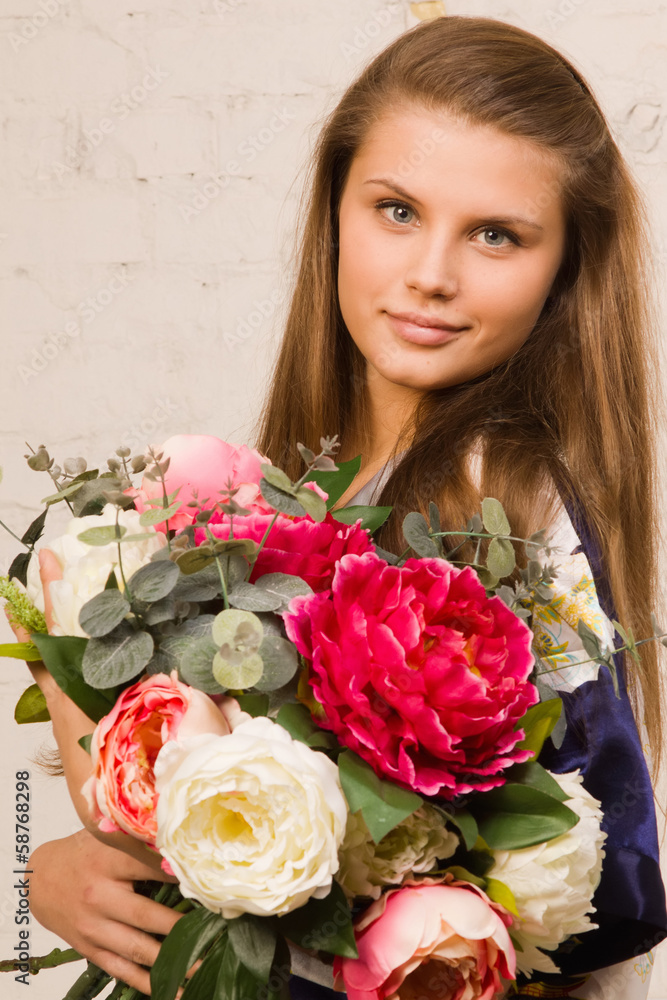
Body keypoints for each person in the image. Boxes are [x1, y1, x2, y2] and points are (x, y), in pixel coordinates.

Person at [15, 14, 667, 1000]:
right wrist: (60, 868)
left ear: (564, 267)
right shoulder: (309, 485)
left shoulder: (510, 508)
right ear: (335, 209)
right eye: (397, 211)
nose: (430, 275)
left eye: (495, 233)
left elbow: (598, 905)